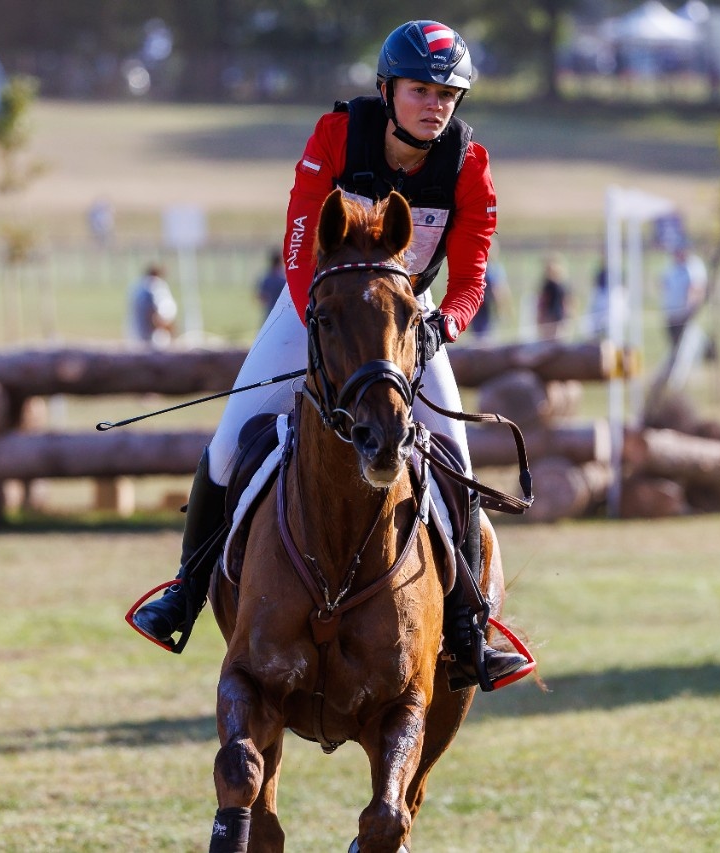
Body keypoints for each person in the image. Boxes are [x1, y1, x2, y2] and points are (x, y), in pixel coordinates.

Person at [131, 20, 530, 692]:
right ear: (387, 88)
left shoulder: (468, 167)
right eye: (421, 89)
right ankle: (186, 593)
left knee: (455, 464)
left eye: (448, 94)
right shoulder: (337, 138)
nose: (435, 104)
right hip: (311, 307)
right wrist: (316, 317)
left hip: (409, 323)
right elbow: (297, 238)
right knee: (230, 444)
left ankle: (468, 627)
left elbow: (469, 276)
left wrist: (445, 327)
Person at [660, 244, 707, 349]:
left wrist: (691, 307)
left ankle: (707, 349)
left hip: (685, 312)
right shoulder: (672, 266)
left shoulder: (693, 266)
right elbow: (664, 284)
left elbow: (697, 288)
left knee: (687, 342)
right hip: (672, 313)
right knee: (676, 343)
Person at [129, 263, 177, 347]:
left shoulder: (136, 287)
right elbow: (162, 317)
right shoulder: (156, 286)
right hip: (155, 340)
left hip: (135, 337)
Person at [470, 258, 510, 340]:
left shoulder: (494, 269)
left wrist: (501, 308)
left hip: (486, 307)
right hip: (478, 308)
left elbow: (498, 290)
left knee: (485, 335)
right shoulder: (480, 269)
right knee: (480, 336)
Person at [536, 255, 571, 338]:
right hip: (549, 317)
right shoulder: (547, 285)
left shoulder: (562, 285)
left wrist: (568, 316)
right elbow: (542, 302)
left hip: (559, 316)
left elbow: (566, 301)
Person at [254, 248, 287, 319]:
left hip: (268, 313)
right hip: (282, 313)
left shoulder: (266, 278)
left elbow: (260, 297)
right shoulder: (283, 279)